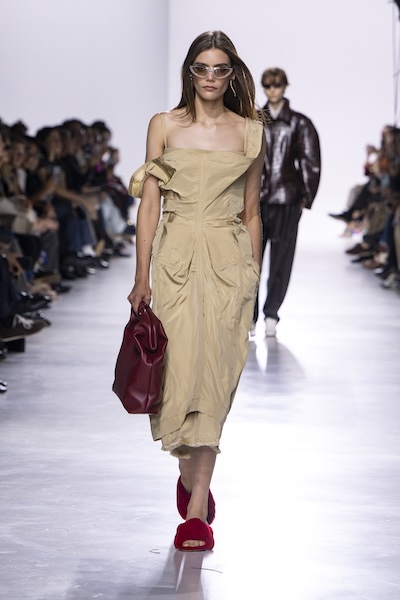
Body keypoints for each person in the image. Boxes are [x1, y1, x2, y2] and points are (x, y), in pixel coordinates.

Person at [127, 30, 266, 552]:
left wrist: (253, 275)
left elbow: (252, 211)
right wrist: (141, 276)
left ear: (232, 75)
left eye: (220, 69)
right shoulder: (164, 125)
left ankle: (195, 511)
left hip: (229, 264)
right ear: (190, 72)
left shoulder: (250, 131)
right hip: (175, 261)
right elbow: (150, 204)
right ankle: (190, 478)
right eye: (202, 68)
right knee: (179, 377)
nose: (210, 77)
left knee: (215, 380)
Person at [253, 67, 321, 337]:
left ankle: (271, 314)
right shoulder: (254, 121)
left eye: (277, 85)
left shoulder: (299, 123)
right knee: (250, 260)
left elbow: (311, 163)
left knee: (281, 260)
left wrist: (304, 198)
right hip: (256, 200)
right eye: (268, 85)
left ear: (284, 86)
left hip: (286, 200)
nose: (273, 90)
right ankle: (250, 317)